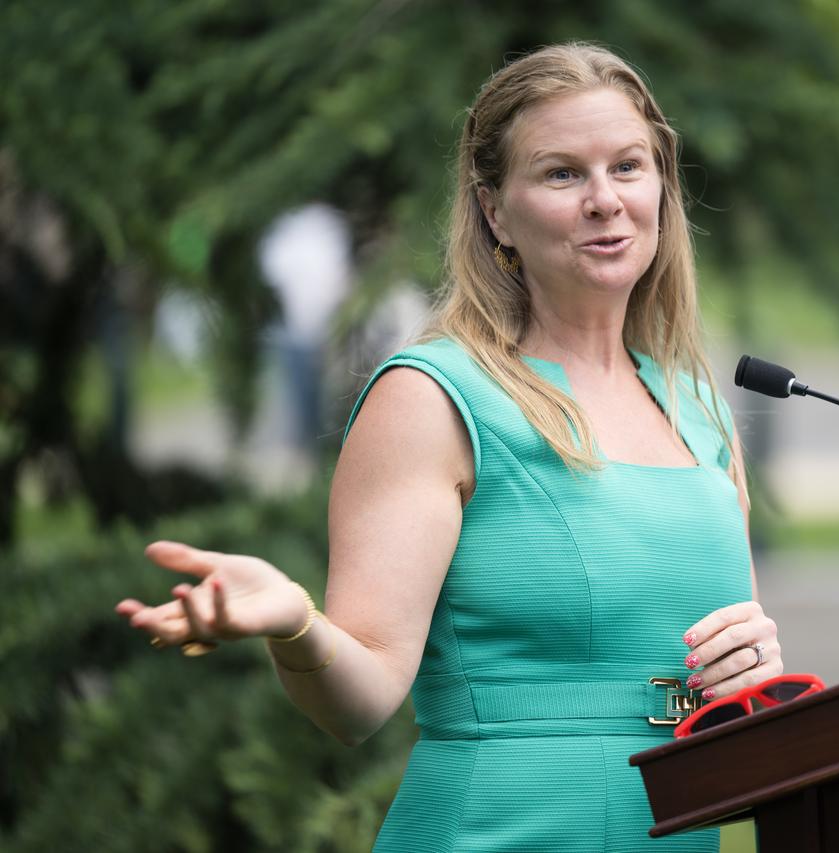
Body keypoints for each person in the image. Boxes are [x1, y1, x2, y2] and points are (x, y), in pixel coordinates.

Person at [116, 42, 783, 851]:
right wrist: (296, 624)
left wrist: (757, 684)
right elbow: (358, 702)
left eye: (629, 166)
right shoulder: (433, 396)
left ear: (662, 188)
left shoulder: (698, 407)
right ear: (495, 210)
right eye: (562, 173)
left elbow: (724, 698)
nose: (605, 199)